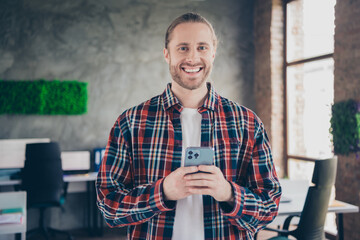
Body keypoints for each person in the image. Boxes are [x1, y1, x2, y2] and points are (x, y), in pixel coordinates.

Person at [96, 12, 282, 240]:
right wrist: (162, 192)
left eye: (202, 47)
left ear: (213, 53)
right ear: (167, 54)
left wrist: (228, 193)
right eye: (182, 48)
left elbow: (269, 207)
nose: (192, 58)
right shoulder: (130, 123)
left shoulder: (248, 123)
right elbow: (109, 207)